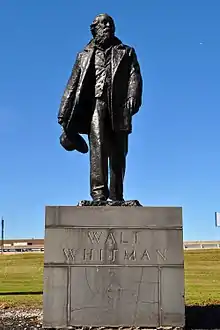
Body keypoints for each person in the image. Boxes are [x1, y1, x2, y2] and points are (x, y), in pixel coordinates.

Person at [58, 13, 142, 202]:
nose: (107, 26)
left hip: (119, 108)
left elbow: (134, 76)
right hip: (96, 105)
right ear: (94, 29)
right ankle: (98, 195)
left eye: (110, 23)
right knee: (98, 149)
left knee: (119, 152)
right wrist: (63, 114)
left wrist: (133, 97)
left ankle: (117, 196)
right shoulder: (84, 55)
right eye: (102, 23)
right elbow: (72, 84)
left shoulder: (126, 52)